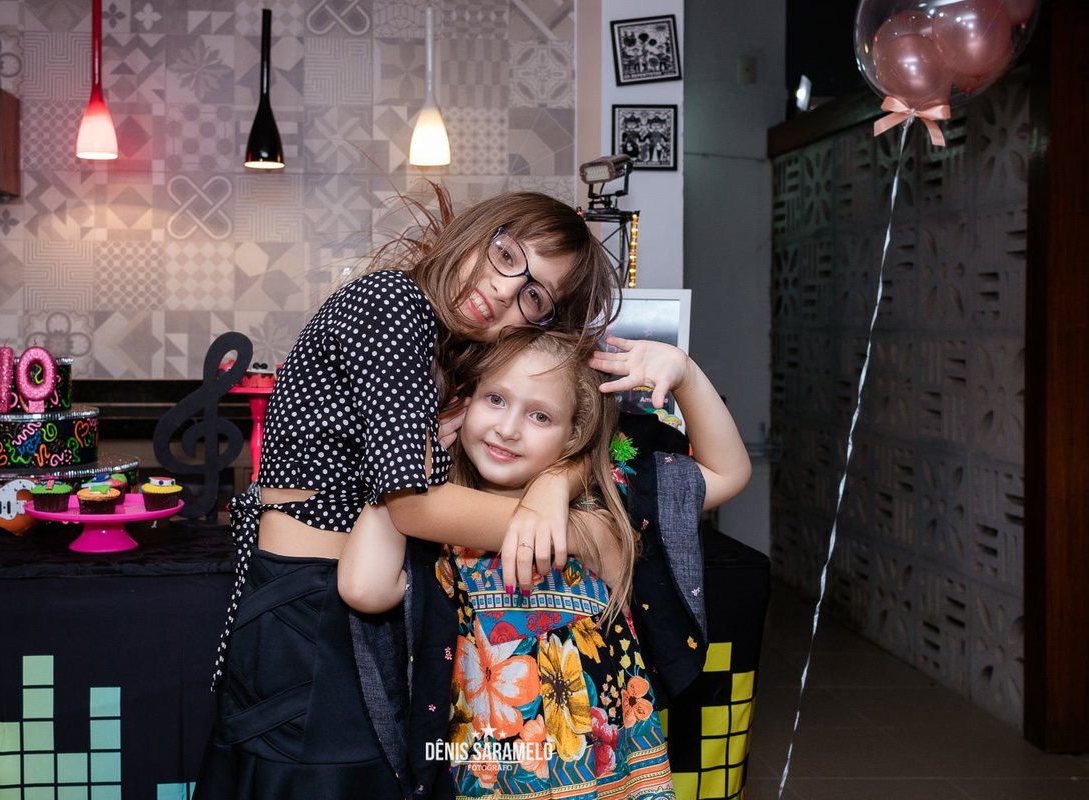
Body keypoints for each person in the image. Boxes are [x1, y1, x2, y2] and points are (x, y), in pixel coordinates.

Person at [193, 187, 622, 800]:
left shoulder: (441, 343)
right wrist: (576, 531)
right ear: (477, 233)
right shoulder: (392, 304)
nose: (505, 290)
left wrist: (557, 482)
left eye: (534, 296)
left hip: (347, 601)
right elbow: (412, 505)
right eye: (506, 256)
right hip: (307, 613)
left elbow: (589, 433)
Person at [338, 329, 750, 798]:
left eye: (540, 415)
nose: (508, 428)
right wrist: (404, 465)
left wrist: (686, 373)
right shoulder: (436, 525)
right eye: (495, 399)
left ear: (574, 433)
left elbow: (728, 472)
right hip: (491, 777)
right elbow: (363, 587)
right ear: (464, 401)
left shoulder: (607, 502)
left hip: (610, 780)